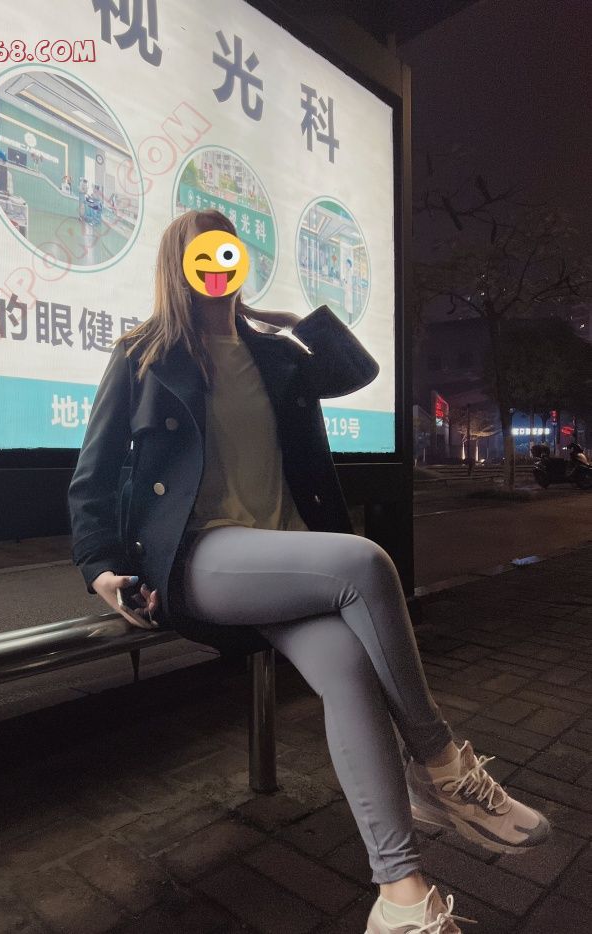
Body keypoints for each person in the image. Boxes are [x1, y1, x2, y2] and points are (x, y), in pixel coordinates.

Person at [68, 209, 551, 934]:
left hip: (287, 556)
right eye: (204, 253)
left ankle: (401, 897)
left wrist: (299, 320)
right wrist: (100, 566)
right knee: (363, 558)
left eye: (228, 251)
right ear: (178, 264)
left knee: (350, 673)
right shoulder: (144, 356)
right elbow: (95, 472)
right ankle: (439, 761)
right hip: (200, 558)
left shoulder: (276, 353)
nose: (219, 265)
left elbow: (358, 371)